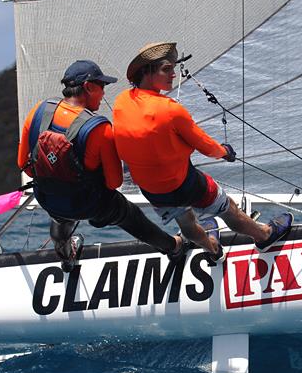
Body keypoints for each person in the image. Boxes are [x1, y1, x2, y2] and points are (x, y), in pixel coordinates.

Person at [113, 42, 293, 260]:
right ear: (147, 71)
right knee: (227, 208)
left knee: (186, 221)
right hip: (185, 186)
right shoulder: (170, 110)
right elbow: (207, 148)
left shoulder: (121, 101)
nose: (173, 74)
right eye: (166, 69)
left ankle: (213, 249)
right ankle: (264, 236)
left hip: (152, 191)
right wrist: (225, 151)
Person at [17, 59, 185, 271]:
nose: (104, 93)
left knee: (60, 212)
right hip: (88, 204)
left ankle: (66, 256)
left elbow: (23, 163)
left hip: (48, 199)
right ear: (88, 87)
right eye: (102, 87)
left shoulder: (38, 112)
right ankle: (173, 247)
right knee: (126, 212)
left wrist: (57, 172)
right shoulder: (100, 129)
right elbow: (114, 183)